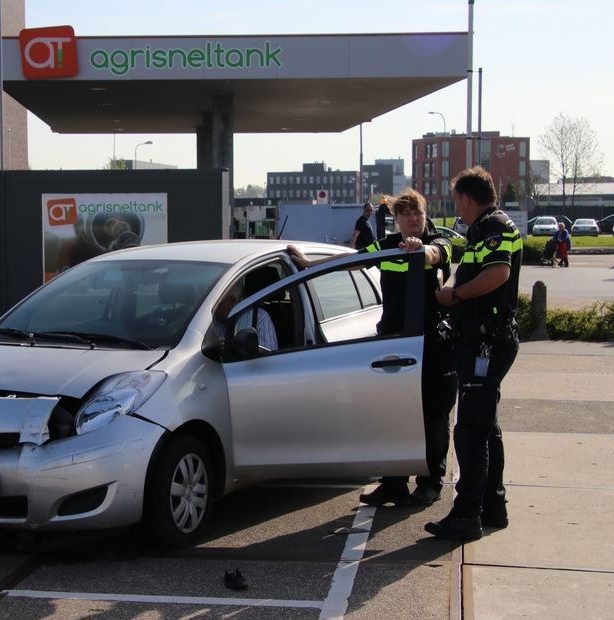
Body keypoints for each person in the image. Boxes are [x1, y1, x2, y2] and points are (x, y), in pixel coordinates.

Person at [288, 188, 456, 507]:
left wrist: (420, 249)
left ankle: (430, 481)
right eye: (406, 214)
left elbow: (437, 254)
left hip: (431, 345)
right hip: (393, 343)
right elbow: (356, 259)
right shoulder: (389, 245)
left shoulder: (438, 242)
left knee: (432, 416)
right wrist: (311, 264)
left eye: (417, 213)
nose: (413, 219)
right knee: (390, 414)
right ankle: (393, 483)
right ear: (397, 219)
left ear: (425, 214)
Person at [427, 165, 522, 541]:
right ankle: (492, 505)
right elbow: (472, 269)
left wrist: (456, 296)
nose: (458, 210)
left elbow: (497, 275)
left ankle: (467, 514)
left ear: (467, 198)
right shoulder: (487, 227)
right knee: (485, 429)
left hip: (486, 342)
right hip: (487, 339)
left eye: (457, 202)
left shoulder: (493, 227)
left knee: (469, 433)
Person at [214, 281, 278, 351]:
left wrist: (240, 348)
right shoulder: (207, 318)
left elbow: (269, 356)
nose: (227, 306)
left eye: (232, 300)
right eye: (221, 303)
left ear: (240, 301)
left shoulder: (258, 317)